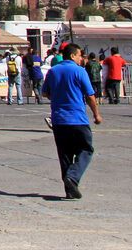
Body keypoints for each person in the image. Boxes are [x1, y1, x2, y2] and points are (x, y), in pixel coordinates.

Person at [41, 43, 102, 200]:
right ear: (73, 55)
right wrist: (96, 114)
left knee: (65, 155)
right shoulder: (79, 71)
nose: (81, 58)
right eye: (80, 55)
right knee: (86, 149)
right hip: (77, 119)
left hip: (59, 119)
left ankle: (69, 189)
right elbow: (90, 95)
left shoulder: (53, 71)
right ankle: (73, 177)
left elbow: (46, 93)